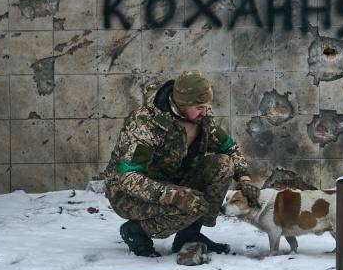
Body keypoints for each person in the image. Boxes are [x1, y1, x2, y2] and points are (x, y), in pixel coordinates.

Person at [105, 70, 260, 257]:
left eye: (207, 106)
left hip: (172, 179)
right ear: (182, 103)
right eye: (199, 107)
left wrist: (244, 179)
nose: (205, 111)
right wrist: (173, 195)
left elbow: (228, 147)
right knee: (192, 204)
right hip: (129, 194)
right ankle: (136, 231)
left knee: (223, 165)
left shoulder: (200, 116)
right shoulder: (145, 125)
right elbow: (128, 178)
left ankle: (189, 236)